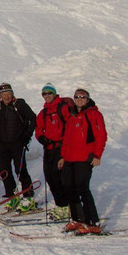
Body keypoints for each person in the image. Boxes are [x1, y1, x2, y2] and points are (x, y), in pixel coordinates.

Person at [59, 88, 107, 235]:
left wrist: (97, 155)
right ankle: (77, 218)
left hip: (85, 157)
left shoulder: (94, 114)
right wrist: (63, 156)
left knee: (82, 188)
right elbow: (67, 138)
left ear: (87, 99)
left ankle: (92, 222)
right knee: (69, 187)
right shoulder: (71, 115)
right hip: (70, 158)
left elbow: (101, 135)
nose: (79, 99)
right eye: (77, 97)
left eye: (82, 97)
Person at [0, 83, 37, 211]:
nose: (6, 97)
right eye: (4, 94)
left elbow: (33, 119)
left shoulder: (20, 105)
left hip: (17, 143)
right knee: (4, 172)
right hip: (2, 145)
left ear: (12, 94)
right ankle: (12, 196)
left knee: (20, 170)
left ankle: (28, 197)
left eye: (8, 94)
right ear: (0, 96)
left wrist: (27, 135)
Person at [35, 83, 75, 220]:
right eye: (44, 94)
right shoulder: (43, 112)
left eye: (49, 93)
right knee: (50, 177)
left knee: (61, 178)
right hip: (48, 149)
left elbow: (71, 126)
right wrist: (41, 137)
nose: (47, 96)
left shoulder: (63, 108)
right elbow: (38, 128)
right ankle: (61, 205)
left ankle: (67, 206)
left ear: (54, 93)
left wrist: (66, 144)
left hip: (61, 148)